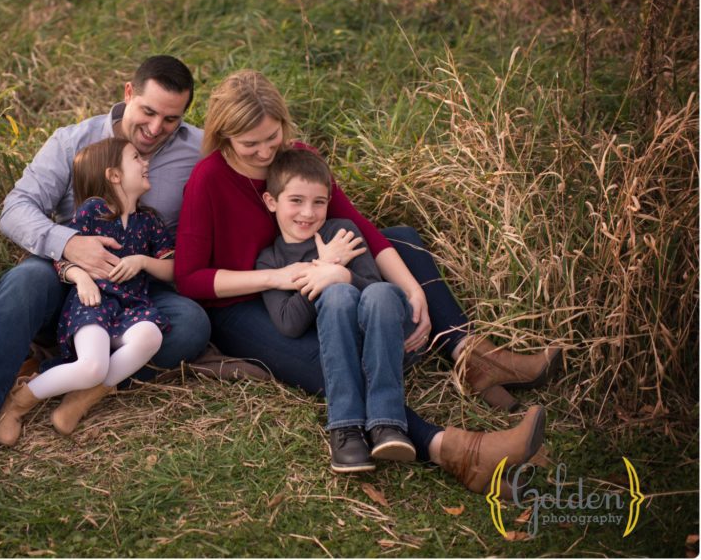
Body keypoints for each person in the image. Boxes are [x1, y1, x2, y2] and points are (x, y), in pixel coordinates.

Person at [174, 69, 561, 496]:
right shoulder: (209, 179)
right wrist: (282, 276)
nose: (266, 152)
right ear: (225, 137)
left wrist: (413, 290)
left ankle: (470, 354)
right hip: (246, 302)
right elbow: (189, 278)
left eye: (273, 136)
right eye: (251, 145)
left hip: (319, 266)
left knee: (403, 242)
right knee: (330, 361)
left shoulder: (295, 157)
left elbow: (363, 229)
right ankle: (455, 450)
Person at [0, 56, 210, 476]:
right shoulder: (73, 140)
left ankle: (63, 377)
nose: (156, 128)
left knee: (192, 324)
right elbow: (16, 208)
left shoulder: (198, 149)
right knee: (24, 279)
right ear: (129, 94)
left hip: (139, 287)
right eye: (148, 111)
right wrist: (70, 243)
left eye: (171, 119)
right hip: (70, 279)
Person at [0, 138, 177, 444]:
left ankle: (82, 398)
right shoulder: (93, 211)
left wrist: (142, 261)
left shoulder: (149, 221)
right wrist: (82, 278)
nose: (145, 163)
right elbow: (61, 258)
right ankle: (18, 402)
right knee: (92, 365)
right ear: (114, 175)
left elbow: (172, 269)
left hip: (131, 306)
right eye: (135, 159)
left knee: (151, 336)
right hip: (93, 303)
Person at [256, 148, 415, 472]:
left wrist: (343, 273)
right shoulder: (269, 260)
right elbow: (289, 323)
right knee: (336, 295)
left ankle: (387, 424)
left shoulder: (342, 232)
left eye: (319, 202)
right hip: (338, 347)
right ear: (272, 202)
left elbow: (373, 289)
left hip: (384, 337)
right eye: (296, 200)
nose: (308, 212)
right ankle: (347, 429)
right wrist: (324, 268)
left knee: (374, 291)